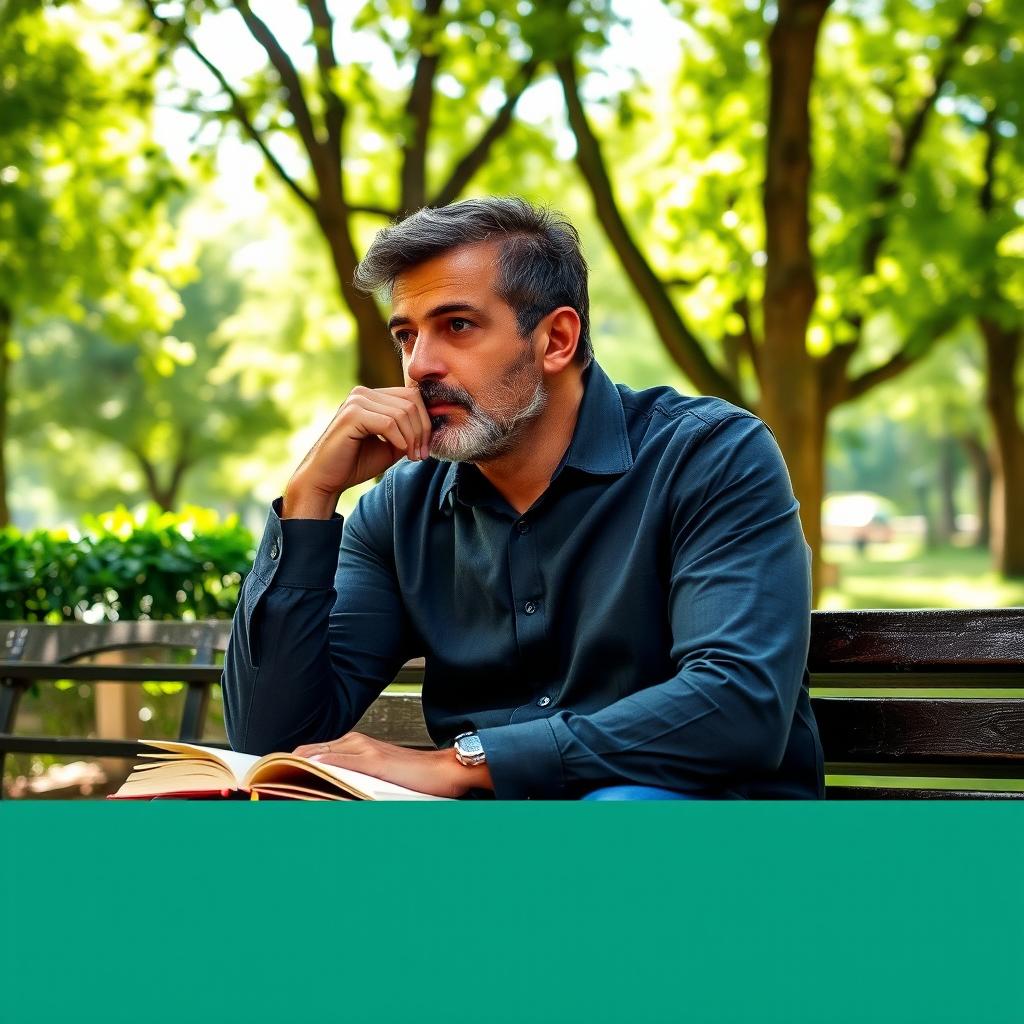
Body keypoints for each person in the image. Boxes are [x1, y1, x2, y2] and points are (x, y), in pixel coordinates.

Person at [221, 196, 824, 800]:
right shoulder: (401, 509)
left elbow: (738, 704)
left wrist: (464, 763)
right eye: (406, 336)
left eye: (456, 326)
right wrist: (309, 499)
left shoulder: (709, 456)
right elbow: (273, 740)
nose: (418, 366)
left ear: (556, 339)